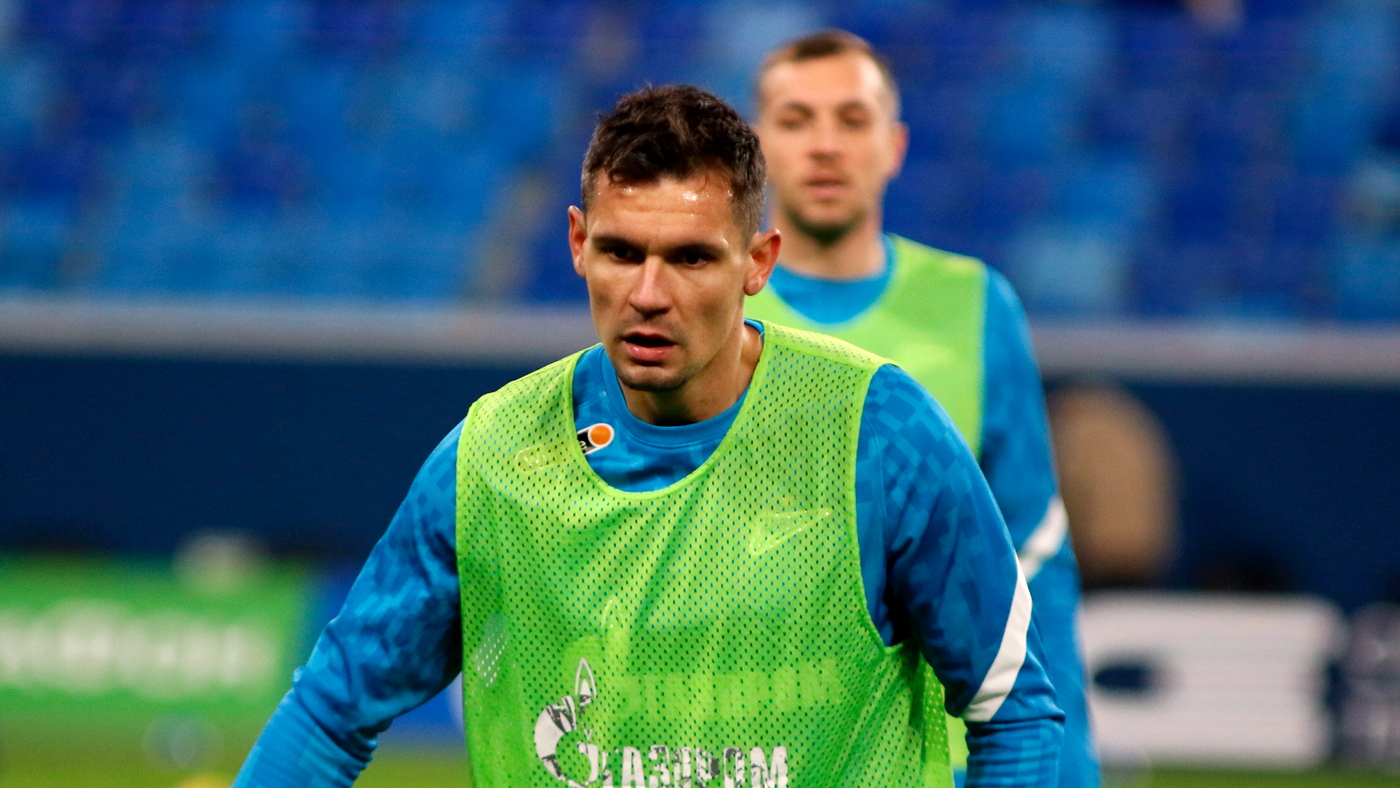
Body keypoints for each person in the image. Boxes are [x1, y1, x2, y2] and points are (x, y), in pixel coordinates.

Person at [232, 85, 1063, 788]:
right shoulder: (492, 456)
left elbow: (1015, 712)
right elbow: (329, 713)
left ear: (758, 262)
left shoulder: (879, 435)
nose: (649, 294)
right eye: (622, 252)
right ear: (577, 244)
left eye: (692, 258)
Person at [746, 31, 1098, 788]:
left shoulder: (975, 304)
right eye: (797, 120)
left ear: (894, 146)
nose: (825, 145)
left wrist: (1067, 763)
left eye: (853, 119)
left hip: (954, 757)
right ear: (758, 146)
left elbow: (1034, 554)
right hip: (766, 757)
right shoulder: (708, 309)